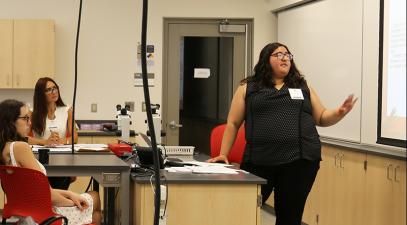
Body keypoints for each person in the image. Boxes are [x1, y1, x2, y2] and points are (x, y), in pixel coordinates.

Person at [208, 42, 357, 225]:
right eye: (278, 54)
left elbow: (322, 118)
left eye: (287, 54)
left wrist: (339, 112)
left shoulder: (302, 86)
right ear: (265, 59)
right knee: (243, 212)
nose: (285, 57)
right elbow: (233, 123)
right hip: (259, 160)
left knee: (289, 217)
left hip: (300, 161)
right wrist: (223, 153)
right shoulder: (249, 87)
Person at [0, 99, 102, 225]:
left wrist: (70, 194)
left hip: (26, 212)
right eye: (25, 118)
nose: (30, 122)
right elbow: (48, 196)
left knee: (87, 200)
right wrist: (73, 202)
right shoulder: (20, 147)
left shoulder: (5, 148)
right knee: (95, 197)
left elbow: (41, 190)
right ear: (10, 121)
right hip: (47, 215)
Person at [28, 77, 77, 190]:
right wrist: (45, 142)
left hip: (62, 160)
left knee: (59, 182)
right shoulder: (32, 113)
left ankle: (57, 205)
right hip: (39, 161)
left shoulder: (67, 110)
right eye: (48, 90)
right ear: (41, 94)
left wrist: (60, 141)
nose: (54, 92)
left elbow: (74, 137)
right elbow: (23, 138)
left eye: (55, 88)